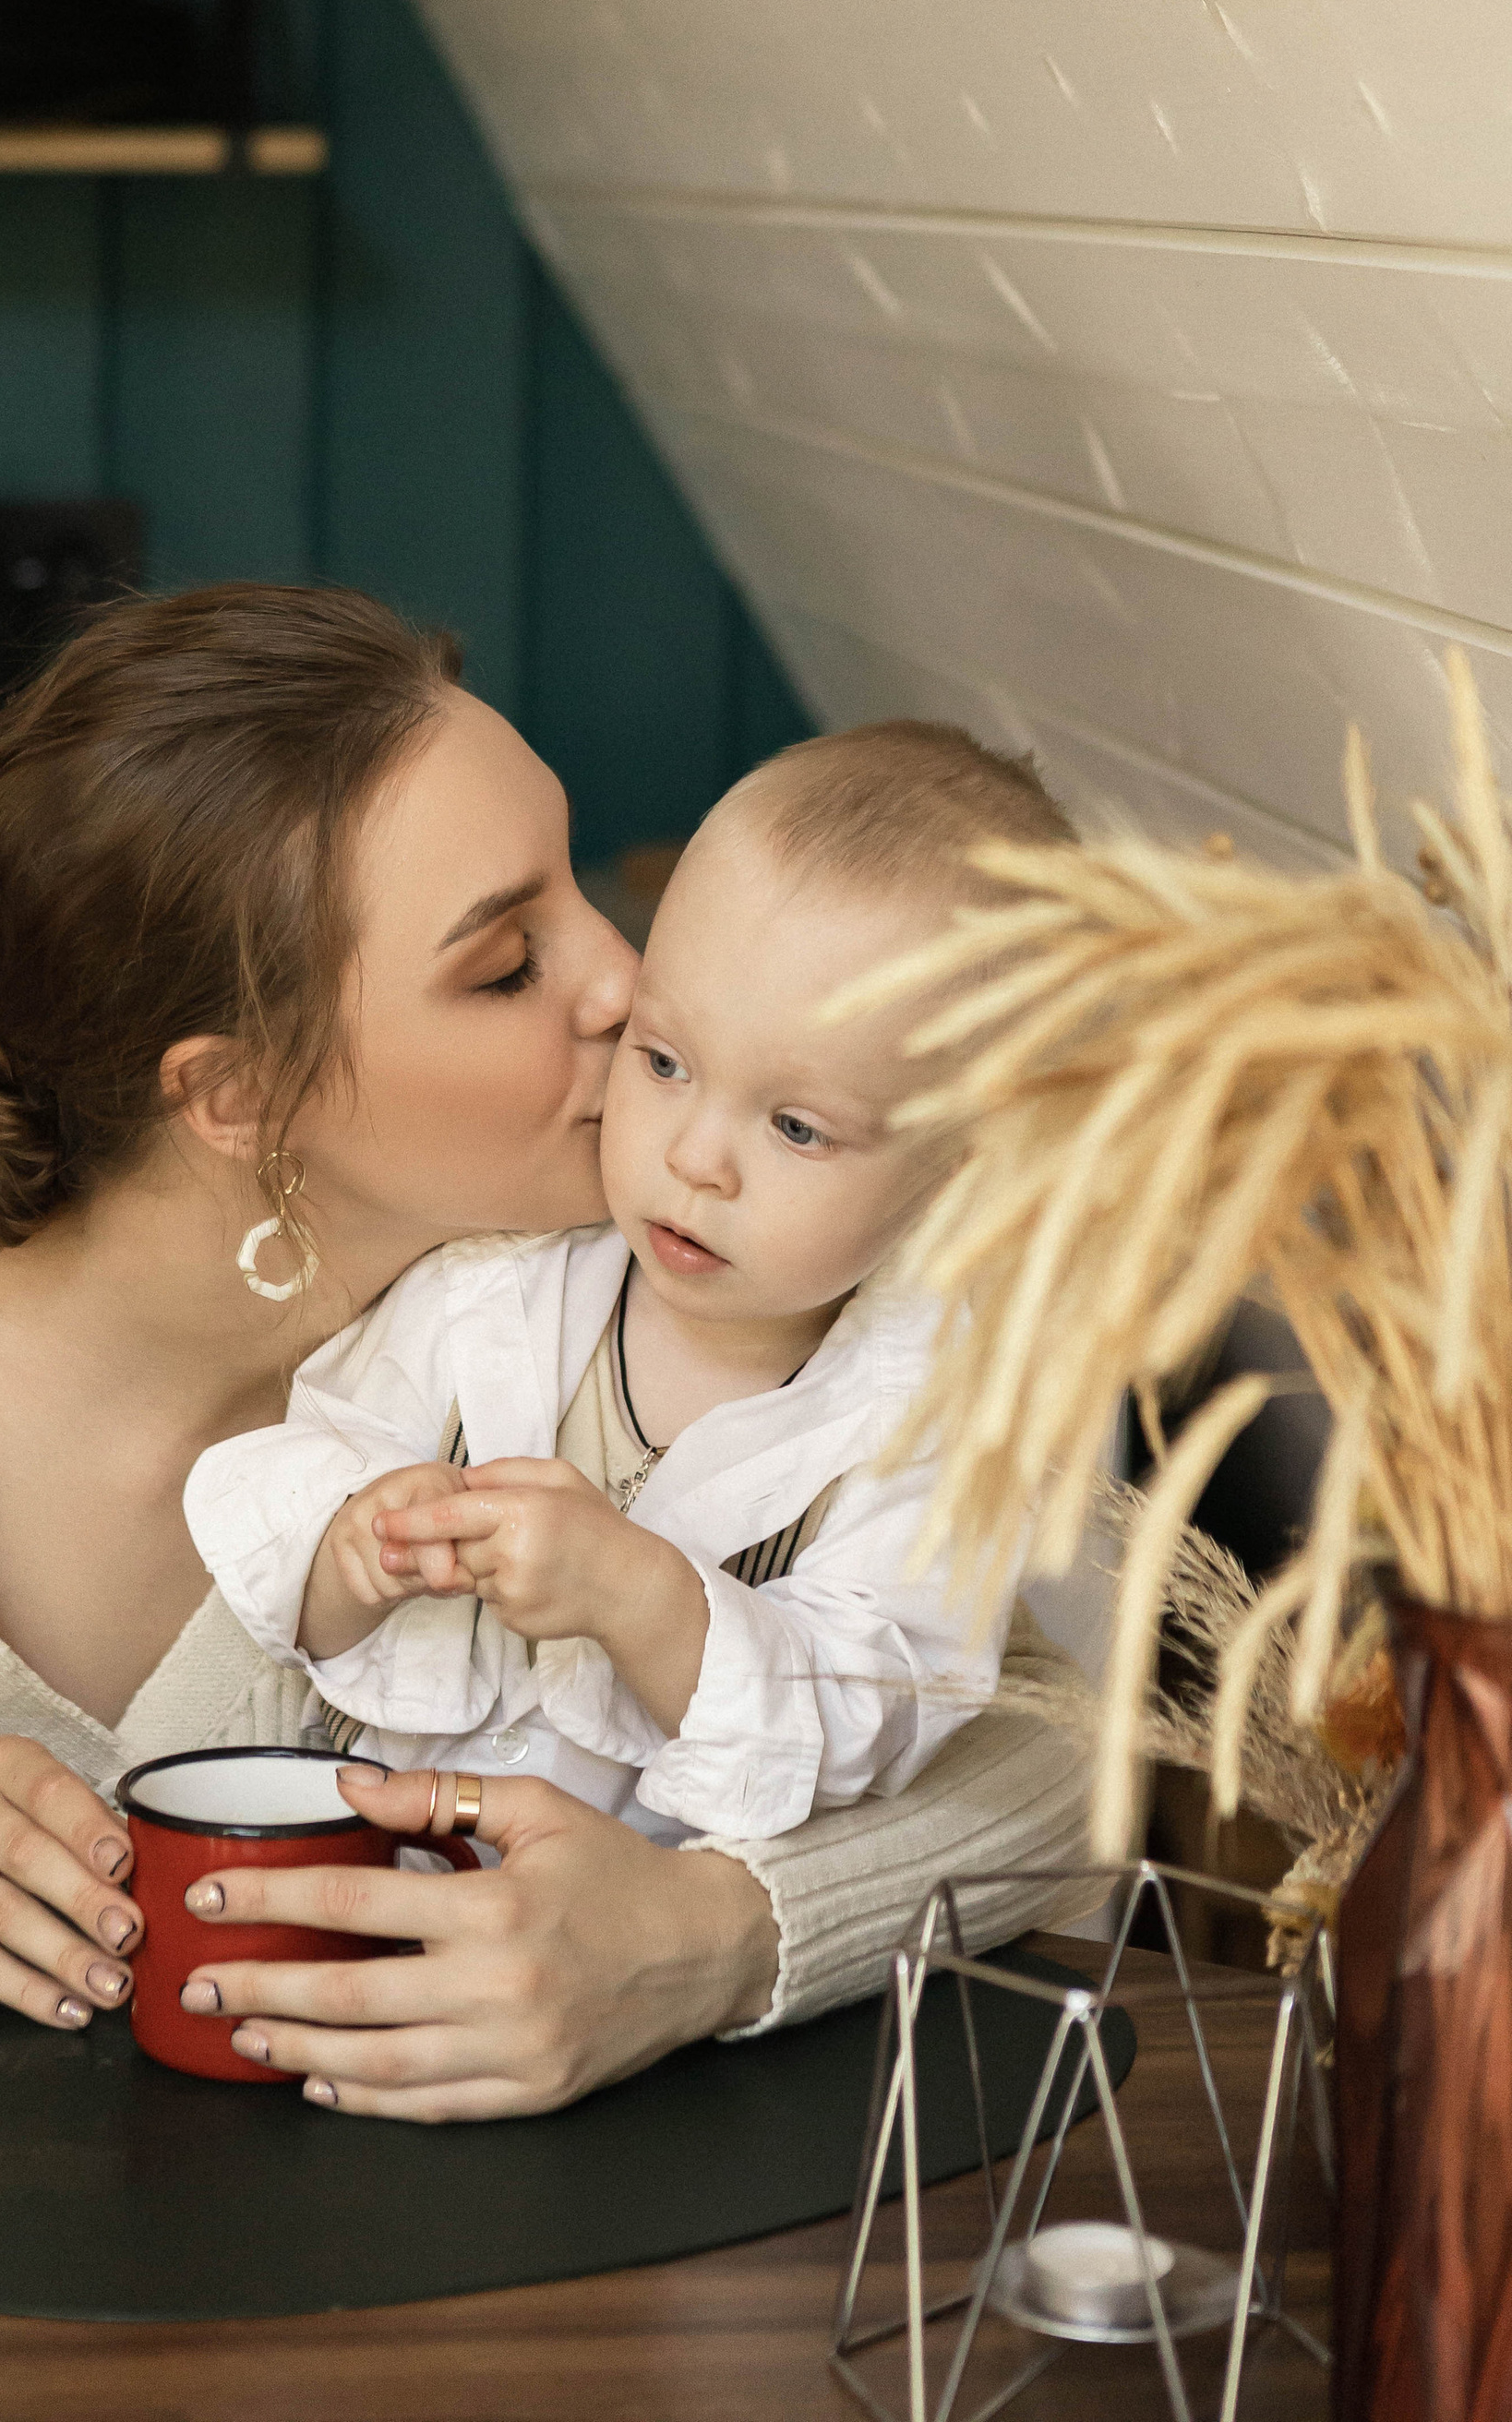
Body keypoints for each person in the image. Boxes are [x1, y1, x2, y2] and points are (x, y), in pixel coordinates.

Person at [0, 586, 1093, 2124]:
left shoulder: (671, 1274)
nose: (630, 987)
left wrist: (704, 1942)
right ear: (236, 1097)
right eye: (506, 963)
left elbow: (1058, 1755)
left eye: (584, 887)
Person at [186, 725, 1075, 1850]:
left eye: (797, 1126)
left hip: (626, 1971)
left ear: (965, 1168)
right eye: (663, 1062)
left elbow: (869, 1717)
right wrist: (356, 1544)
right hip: (368, 1884)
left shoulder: (933, 1423)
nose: (693, 1158)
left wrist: (638, 1598)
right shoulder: (496, 1279)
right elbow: (297, 1492)